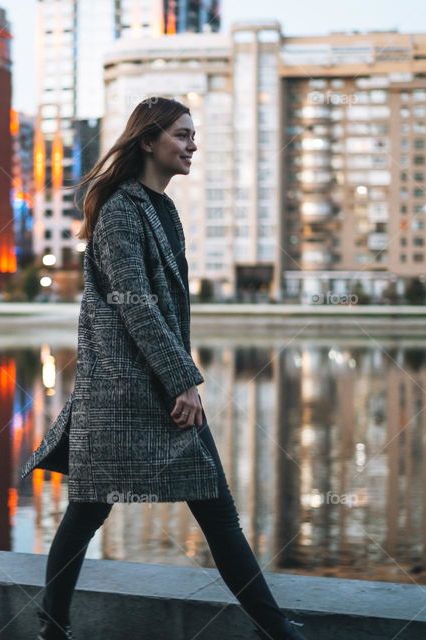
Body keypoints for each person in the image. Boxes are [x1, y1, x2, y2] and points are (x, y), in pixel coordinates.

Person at [18, 97, 308, 640]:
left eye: (194, 134)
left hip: (155, 392)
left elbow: (158, 306)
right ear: (148, 141)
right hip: (126, 394)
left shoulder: (162, 209)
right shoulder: (121, 210)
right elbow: (134, 301)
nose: (192, 144)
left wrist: (178, 379)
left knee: (209, 512)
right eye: (181, 134)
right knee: (88, 511)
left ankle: (274, 627)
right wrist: (185, 380)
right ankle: (52, 628)